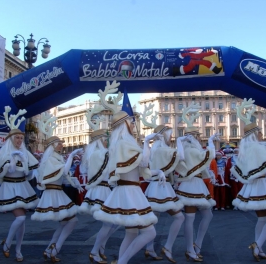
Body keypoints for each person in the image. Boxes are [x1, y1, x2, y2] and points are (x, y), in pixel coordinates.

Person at [93, 109, 159, 264]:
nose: (133, 123)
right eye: (131, 120)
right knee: (150, 233)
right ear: (124, 124)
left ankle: (121, 262)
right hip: (130, 192)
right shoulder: (123, 143)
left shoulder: (123, 143)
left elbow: (141, 169)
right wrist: (147, 142)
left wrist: (158, 171)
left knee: (132, 233)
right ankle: (122, 261)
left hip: (129, 191)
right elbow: (142, 162)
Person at [230, 99, 266, 261]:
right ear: (255, 133)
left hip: (252, 186)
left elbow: (239, 171)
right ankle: (257, 244)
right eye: (260, 132)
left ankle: (258, 249)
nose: (262, 134)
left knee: (262, 218)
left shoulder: (245, 150)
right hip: (261, 184)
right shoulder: (258, 147)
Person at [32, 113, 83, 262]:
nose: (62, 144)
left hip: (58, 192)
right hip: (53, 193)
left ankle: (50, 249)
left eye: (61, 142)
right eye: (59, 142)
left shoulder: (57, 158)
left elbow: (65, 175)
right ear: (53, 145)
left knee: (65, 222)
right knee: (71, 221)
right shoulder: (50, 159)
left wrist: (76, 183)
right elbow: (63, 171)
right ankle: (54, 249)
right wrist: (72, 156)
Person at [0, 107, 39, 262]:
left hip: (22, 186)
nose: (19, 140)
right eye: (17, 138)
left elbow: (32, 173)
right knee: (20, 219)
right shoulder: (4, 154)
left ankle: (18, 249)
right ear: (11, 139)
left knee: (22, 220)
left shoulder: (26, 153)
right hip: (9, 187)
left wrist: (27, 169)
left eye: (21, 138)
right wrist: (9, 164)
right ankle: (7, 243)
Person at [174, 102, 217, 262]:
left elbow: (201, 165)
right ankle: (190, 249)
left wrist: (209, 173)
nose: (200, 137)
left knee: (207, 215)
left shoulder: (191, 149)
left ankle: (195, 245)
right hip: (191, 184)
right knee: (190, 218)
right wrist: (211, 143)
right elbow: (205, 158)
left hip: (195, 183)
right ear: (193, 137)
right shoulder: (190, 149)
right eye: (197, 135)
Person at [142, 116, 186, 262]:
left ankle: (150, 248)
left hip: (156, 186)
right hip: (161, 187)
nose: (171, 137)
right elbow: (181, 157)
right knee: (179, 217)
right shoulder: (162, 150)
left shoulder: (156, 149)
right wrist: (180, 141)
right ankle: (167, 247)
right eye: (170, 134)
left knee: (153, 220)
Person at [78, 105, 116, 264]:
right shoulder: (103, 154)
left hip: (100, 190)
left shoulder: (93, 154)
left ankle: (100, 248)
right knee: (110, 223)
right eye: (105, 138)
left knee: (112, 223)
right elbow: (107, 171)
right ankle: (95, 251)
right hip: (102, 190)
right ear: (100, 140)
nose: (107, 140)